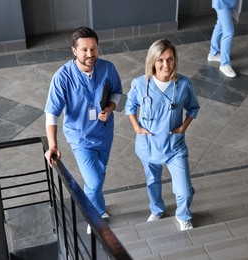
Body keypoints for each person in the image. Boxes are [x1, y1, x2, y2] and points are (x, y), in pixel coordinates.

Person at [44, 27, 123, 234]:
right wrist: (53, 145)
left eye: (94, 49)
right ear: (74, 51)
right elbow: (52, 113)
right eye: (84, 50)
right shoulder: (62, 77)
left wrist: (110, 108)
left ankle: (99, 208)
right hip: (80, 137)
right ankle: (93, 216)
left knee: (98, 174)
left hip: (105, 132)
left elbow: (117, 92)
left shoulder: (108, 68)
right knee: (94, 180)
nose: (90, 55)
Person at [125, 39, 200, 231]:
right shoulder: (140, 84)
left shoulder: (184, 84)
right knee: (152, 182)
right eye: (160, 60)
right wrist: (136, 127)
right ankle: (157, 210)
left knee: (184, 190)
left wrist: (183, 127)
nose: (166, 65)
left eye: (170, 59)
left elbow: (193, 108)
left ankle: (183, 216)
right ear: (152, 61)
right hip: (148, 144)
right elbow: (130, 105)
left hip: (174, 146)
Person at [207, 0, 237, 78]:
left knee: (220, 25)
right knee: (228, 32)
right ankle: (225, 64)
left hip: (228, 2)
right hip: (222, 2)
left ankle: (213, 53)